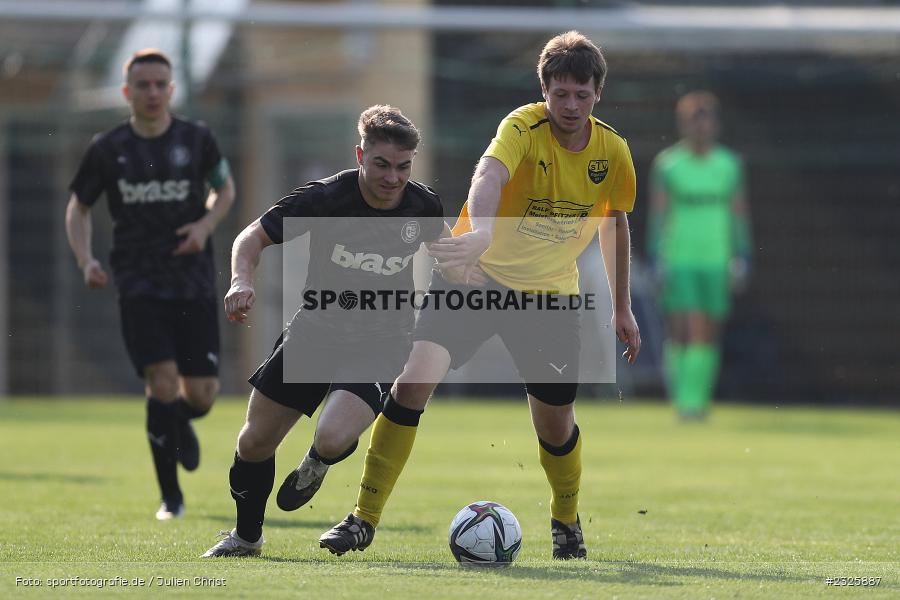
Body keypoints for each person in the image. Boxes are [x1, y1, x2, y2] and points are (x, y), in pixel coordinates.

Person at [319, 31, 641, 560]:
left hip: (549, 299)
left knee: (555, 423)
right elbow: (488, 175)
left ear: (597, 94)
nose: (570, 105)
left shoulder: (613, 150)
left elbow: (617, 224)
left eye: (581, 95)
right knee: (411, 384)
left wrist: (623, 306)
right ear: (545, 89)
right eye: (560, 94)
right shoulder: (521, 126)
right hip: (474, 278)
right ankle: (363, 518)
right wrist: (484, 233)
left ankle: (565, 521)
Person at [202, 105, 447, 558]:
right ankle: (246, 538)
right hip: (314, 334)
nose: (393, 177)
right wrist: (241, 280)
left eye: (402, 167)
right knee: (253, 441)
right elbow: (249, 238)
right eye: (381, 164)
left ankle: (317, 461)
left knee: (332, 436)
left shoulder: (423, 205)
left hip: (382, 343)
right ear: (360, 155)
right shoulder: (325, 198)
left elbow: (448, 256)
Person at [65, 49, 236, 520]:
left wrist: (204, 226)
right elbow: (77, 207)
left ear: (172, 89)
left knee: (200, 395)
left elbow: (226, 189)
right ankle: (171, 498)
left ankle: (179, 423)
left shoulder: (197, 139)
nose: (153, 92)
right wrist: (85, 259)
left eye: (161, 84)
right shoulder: (107, 148)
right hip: (139, 284)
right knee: (161, 384)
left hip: (194, 282)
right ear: (128, 92)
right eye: (144, 85)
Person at [647, 91, 752, 420]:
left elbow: (739, 214)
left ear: (716, 126)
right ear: (684, 126)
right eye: (695, 123)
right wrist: (656, 256)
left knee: (708, 329)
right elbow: (658, 214)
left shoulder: (729, 165)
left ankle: (696, 401)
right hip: (680, 257)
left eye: (707, 123)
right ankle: (685, 401)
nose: (701, 130)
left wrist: (742, 254)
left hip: (717, 258)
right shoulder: (669, 164)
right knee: (684, 328)